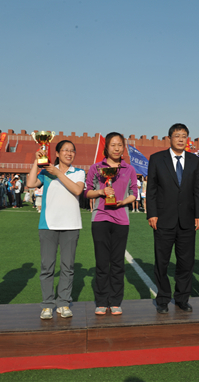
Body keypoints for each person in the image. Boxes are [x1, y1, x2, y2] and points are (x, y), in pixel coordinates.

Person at [147, 123, 199, 314]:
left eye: (184, 136)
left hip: (188, 220)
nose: (181, 139)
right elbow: (151, 189)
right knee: (161, 262)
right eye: (177, 135)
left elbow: (198, 190)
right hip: (163, 219)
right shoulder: (157, 159)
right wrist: (152, 213)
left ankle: (182, 298)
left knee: (186, 263)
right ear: (169, 138)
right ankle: (163, 299)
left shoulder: (195, 161)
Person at [26, 140, 85, 319]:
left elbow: (77, 190)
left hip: (71, 225)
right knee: (47, 267)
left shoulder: (78, 172)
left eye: (72, 150)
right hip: (48, 224)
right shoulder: (46, 172)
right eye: (65, 150)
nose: (69, 153)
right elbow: (30, 183)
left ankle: (63, 303)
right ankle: (47, 304)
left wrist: (58, 173)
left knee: (68, 267)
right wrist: (37, 161)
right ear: (57, 153)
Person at [85, 132, 137, 316]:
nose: (117, 148)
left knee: (117, 263)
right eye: (113, 145)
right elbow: (87, 192)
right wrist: (101, 192)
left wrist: (123, 202)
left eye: (120, 145)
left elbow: (134, 193)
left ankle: (115, 301)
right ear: (106, 147)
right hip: (100, 218)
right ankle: (101, 301)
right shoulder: (96, 168)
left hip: (121, 220)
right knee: (101, 262)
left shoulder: (129, 169)